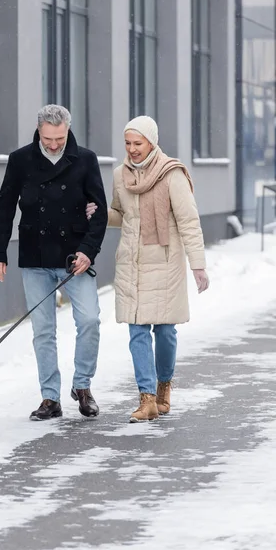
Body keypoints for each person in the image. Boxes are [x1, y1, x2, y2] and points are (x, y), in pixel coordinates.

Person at [0, 105, 107, 421]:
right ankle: (50, 398)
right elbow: (4, 207)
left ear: (68, 130)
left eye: (60, 138)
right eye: (48, 138)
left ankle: (82, 386)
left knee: (90, 320)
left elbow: (101, 211)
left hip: (73, 258)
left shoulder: (85, 159)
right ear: (39, 131)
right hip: (36, 254)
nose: (54, 145)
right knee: (43, 330)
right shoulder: (21, 160)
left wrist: (88, 251)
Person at [87, 115, 209, 423]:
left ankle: (163, 387)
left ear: (151, 142)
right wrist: (101, 213)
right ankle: (146, 399)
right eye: (127, 143)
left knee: (165, 331)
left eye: (137, 143)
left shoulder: (172, 174)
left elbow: (189, 222)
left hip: (165, 262)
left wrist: (198, 265)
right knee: (137, 330)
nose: (132, 149)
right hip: (132, 261)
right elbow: (121, 214)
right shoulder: (120, 175)